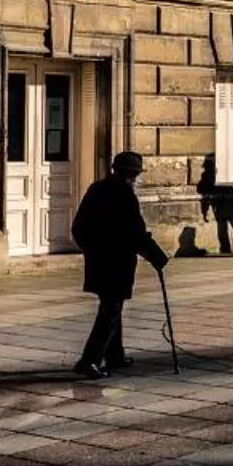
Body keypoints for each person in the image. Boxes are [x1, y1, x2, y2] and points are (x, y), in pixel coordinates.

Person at [68, 151, 168, 379]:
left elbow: (78, 227)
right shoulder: (125, 195)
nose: (136, 178)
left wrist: (91, 250)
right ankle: (89, 360)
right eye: (135, 174)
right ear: (130, 174)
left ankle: (115, 355)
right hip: (117, 262)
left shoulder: (97, 189)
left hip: (99, 259)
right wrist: (157, 257)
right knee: (110, 311)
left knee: (113, 306)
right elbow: (136, 234)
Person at [194, 155, 233, 255]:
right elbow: (205, 194)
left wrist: (205, 211)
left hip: (226, 203)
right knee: (229, 228)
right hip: (225, 203)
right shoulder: (213, 176)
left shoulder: (213, 176)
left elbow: (204, 194)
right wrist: (205, 211)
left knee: (231, 228)